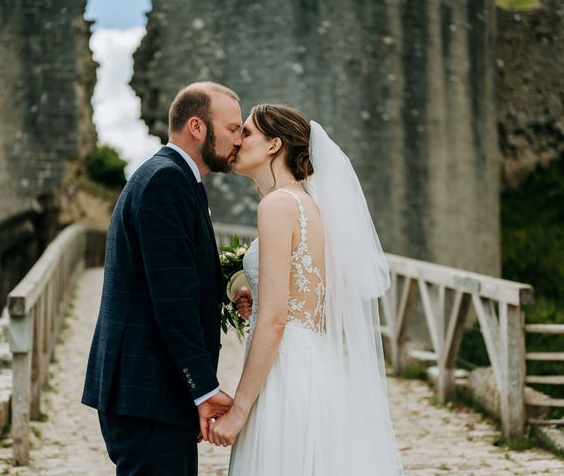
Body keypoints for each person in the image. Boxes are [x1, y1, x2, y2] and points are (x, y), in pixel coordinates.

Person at [209, 104, 405, 475]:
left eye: (247, 132)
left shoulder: (277, 205)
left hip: (283, 371)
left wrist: (239, 411)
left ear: (273, 145)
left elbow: (275, 319)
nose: (237, 141)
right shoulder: (308, 205)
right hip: (314, 363)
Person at [81, 81, 243, 476]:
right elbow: (173, 297)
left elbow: (181, 268)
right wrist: (204, 388)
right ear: (197, 126)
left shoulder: (176, 179)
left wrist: (234, 282)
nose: (239, 139)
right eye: (233, 128)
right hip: (147, 393)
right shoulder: (164, 182)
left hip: (155, 393)